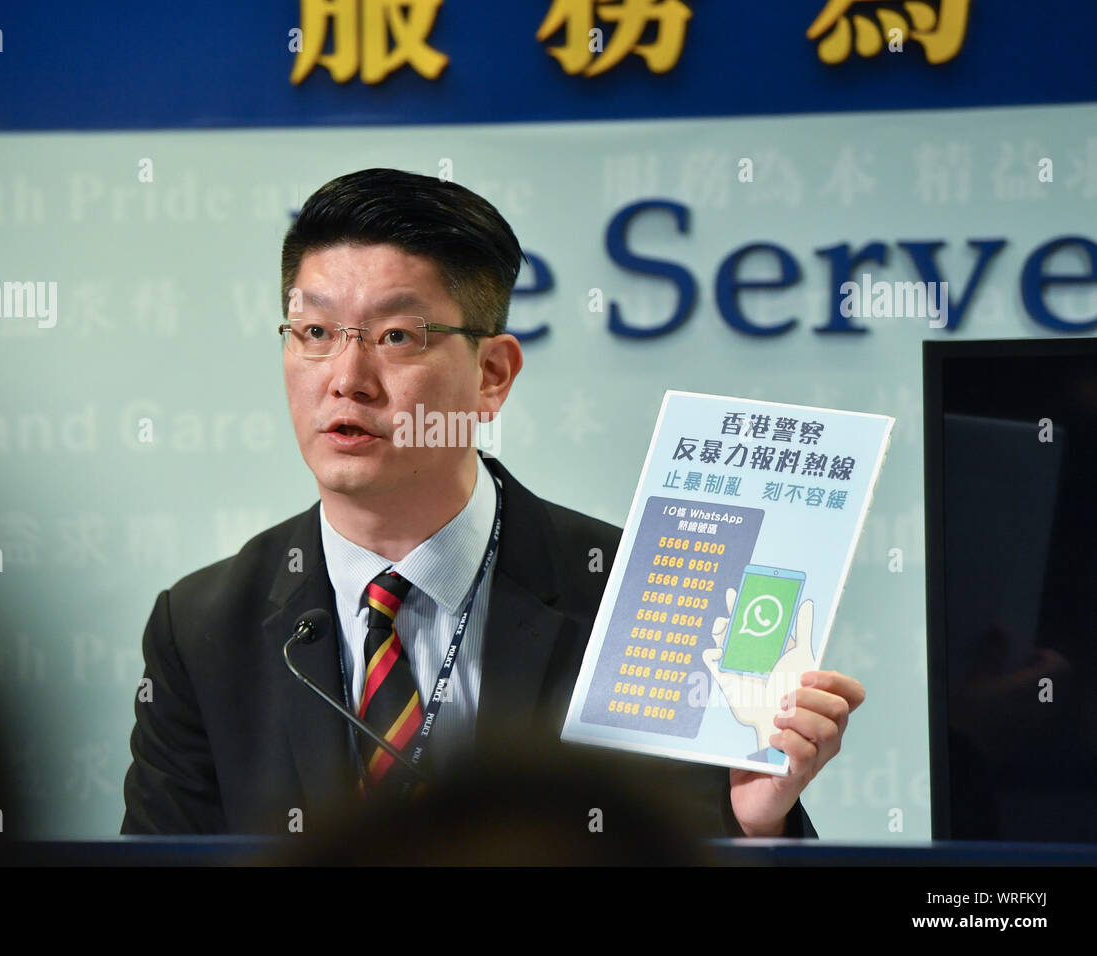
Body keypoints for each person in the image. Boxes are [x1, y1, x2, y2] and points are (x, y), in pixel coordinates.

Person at [120, 168, 865, 846]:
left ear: (492, 375)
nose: (347, 377)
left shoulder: (636, 597)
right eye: (314, 332)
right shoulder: (205, 627)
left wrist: (754, 831)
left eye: (396, 336)